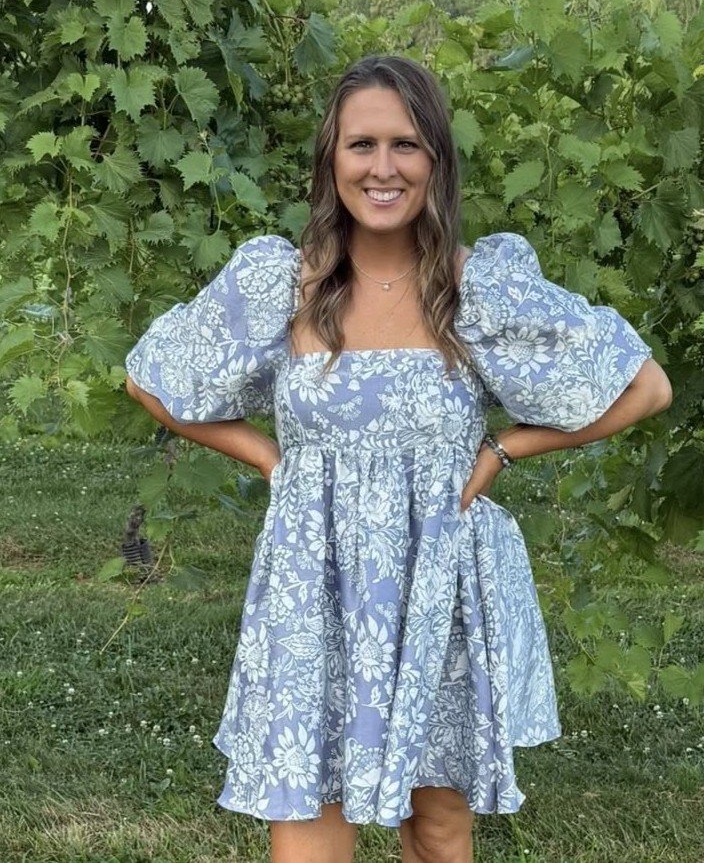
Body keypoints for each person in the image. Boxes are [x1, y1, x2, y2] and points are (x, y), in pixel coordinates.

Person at [124, 54, 672, 863]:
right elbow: (152, 376)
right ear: (331, 160)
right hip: (314, 585)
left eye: (406, 145)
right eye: (362, 145)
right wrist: (268, 458)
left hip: (438, 585)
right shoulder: (285, 284)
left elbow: (645, 386)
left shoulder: (475, 289)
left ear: (436, 162)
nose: (383, 168)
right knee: (307, 829)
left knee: (439, 828)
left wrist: (506, 446)